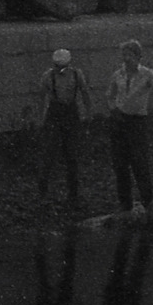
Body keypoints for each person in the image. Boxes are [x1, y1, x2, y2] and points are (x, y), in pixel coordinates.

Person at [106, 39, 153, 213]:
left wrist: (150, 108)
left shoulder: (147, 75)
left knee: (140, 162)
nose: (126, 58)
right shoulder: (118, 75)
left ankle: (147, 201)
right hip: (120, 121)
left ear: (138, 56)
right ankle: (125, 203)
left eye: (130, 55)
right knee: (120, 163)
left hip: (137, 122)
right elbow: (110, 94)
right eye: (124, 54)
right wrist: (113, 109)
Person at [38, 48, 93, 206]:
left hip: (71, 114)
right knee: (49, 153)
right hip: (54, 114)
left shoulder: (77, 75)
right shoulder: (47, 77)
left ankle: (73, 194)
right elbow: (41, 98)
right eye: (57, 66)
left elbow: (85, 93)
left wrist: (89, 113)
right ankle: (43, 192)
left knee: (72, 155)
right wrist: (41, 119)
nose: (59, 69)